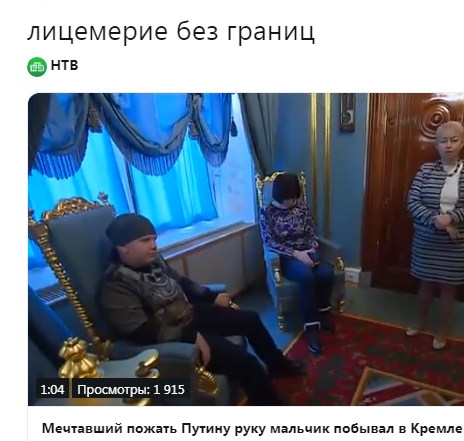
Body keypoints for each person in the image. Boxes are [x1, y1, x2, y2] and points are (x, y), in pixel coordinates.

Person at [98, 213, 306, 406]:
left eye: (154, 239)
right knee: (246, 362)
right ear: (122, 247)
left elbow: (181, 282)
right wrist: (189, 335)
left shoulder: (154, 260)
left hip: (189, 313)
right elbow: (138, 329)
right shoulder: (115, 285)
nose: (154, 246)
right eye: (145, 241)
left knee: (250, 319)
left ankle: (277, 365)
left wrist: (210, 296)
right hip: (171, 333)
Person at [405, 121, 464, 349]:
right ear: (437, 145)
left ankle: (442, 330)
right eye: (443, 141)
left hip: (457, 242)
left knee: (449, 289)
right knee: (425, 285)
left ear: (462, 142)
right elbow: (412, 201)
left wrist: (452, 218)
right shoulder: (425, 170)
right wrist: (436, 219)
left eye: (454, 140)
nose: (448, 145)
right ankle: (419, 321)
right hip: (427, 239)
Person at [259, 172, 335, 355]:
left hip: (307, 252)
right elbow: (269, 242)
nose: (292, 202)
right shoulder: (267, 213)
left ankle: (323, 312)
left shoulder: (302, 208)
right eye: (288, 199)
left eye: (294, 198)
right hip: (287, 257)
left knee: (326, 272)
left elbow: (311, 232)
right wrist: (296, 254)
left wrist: (311, 250)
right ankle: (311, 327)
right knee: (306, 276)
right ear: (279, 195)